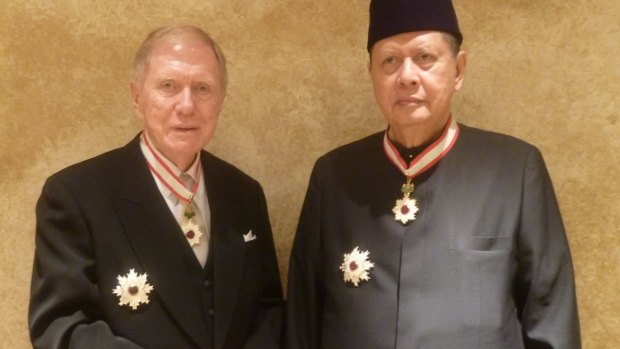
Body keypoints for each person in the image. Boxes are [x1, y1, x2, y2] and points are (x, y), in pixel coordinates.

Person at [285, 1, 581, 348]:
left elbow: (551, 317)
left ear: (458, 69)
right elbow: (303, 318)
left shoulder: (514, 170)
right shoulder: (333, 175)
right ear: (371, 73)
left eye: (424, 57)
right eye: (390, 60)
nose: (407, 76)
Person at [29, 24, 283, 349]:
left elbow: (267, 309)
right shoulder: (75, 195)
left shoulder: (245, 194)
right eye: (169, 86)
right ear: (138, 98)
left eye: (203, 88)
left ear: (221, 99)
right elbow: (61, 326)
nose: (187, 105)